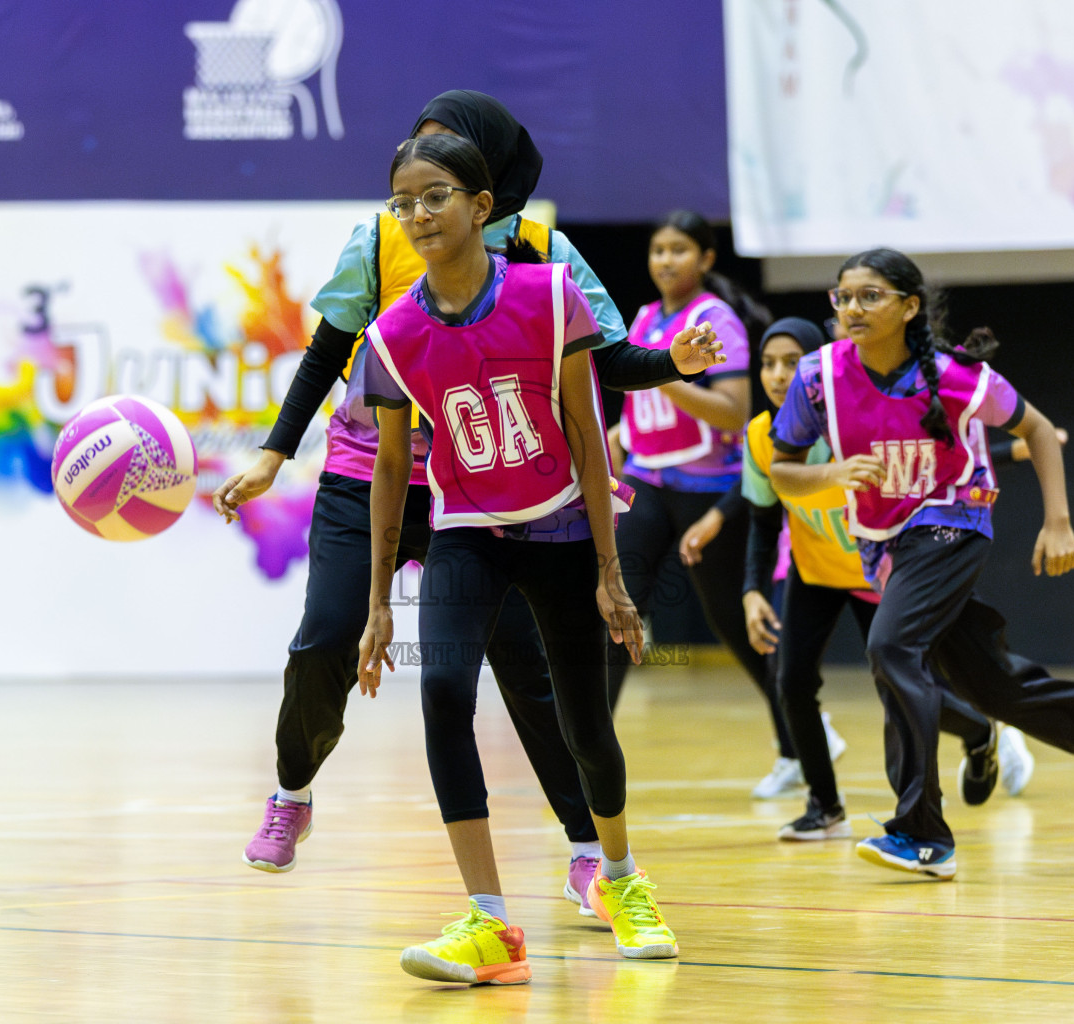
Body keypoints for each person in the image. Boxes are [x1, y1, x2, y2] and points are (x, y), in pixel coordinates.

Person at [213, 91, 720, 912]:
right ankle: (292, 792)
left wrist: (674, 365)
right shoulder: (382, 238)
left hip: (486, 487)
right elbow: (328, 350)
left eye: (444, 153)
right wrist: (274, 455)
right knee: (326, 638)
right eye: (416, 154)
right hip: (367, 467)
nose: (423, 175)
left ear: (485, 177)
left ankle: (589, 850)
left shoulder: (538, 249)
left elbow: (608, 359)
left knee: (527, 671)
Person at [358, 133, 683, 983]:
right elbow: (392, 467)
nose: (418, 214)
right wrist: (379, 603)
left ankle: (621, 879)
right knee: (440, 691)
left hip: (564, 530)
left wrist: (612, 572)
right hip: (466, 530)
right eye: (404, 202)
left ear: (482, 205)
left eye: (435, 196)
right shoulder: (391, 335)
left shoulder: (548, 296)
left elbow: (587, 432)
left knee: (583, 724)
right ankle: (491, 922)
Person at [768, 249, 1074, 879]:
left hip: (953, 522)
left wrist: (1058, 521)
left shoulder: (960, 378)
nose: (852, 308)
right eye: (843, 296)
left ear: (909, 307)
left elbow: (1038, 430)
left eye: (870, 296)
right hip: (884, 543)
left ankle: (922, 834)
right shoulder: (819, 377)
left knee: (892, 648)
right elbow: (783, 471)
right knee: (994, 686)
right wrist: (831, 472)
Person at [735, 318, 1029, 842]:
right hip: (816, 569)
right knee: (791, 681)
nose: (778, 375)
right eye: (767, 363)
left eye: (790, 362)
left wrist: (1007, 452)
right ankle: (824, 805)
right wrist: (753, 589)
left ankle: (978, 731)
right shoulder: (761, 437)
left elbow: (934, 457)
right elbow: (761, 519)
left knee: (904, 683)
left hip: (881, 566)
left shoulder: (848, 417)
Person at [603, 213, 783, 738]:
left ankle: (801, 730)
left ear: (705, 258)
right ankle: (590, 748)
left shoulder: (715, 319)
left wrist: (666, 374)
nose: (665, 259)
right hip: (648, 483)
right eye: (658, 249)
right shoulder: (642, 317)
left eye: (679, 249)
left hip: (708, 491)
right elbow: (640, 401)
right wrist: (619, 436)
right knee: (617, 606)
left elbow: (734, 410)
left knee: (730, 618)